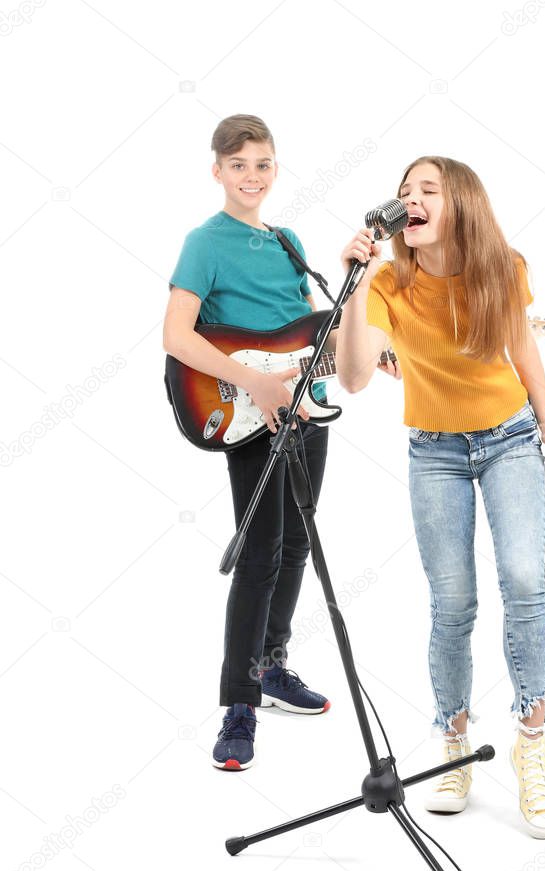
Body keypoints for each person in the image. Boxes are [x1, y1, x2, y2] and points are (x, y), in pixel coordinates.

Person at [335, 156, 545, 838]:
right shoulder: (390, 280)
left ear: (459, 203)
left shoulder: (502, 266)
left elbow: (521, 347)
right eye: (403, 193)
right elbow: (355, 378)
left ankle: (531, 740)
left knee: (522, 579)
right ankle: (452, 741)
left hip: (509, 440)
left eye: (427, 190)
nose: (410, 200)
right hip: (435, 452)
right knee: (452, 602)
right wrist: (360, 280)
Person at [164, 115, 340, 770]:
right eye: (239, 165)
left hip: (301, 407)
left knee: (297, 541)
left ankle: (271, 668)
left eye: (263, 164)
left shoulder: (289, 241)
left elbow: (306, 334)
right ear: (217, 171)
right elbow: (178, 337)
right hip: (244, 408)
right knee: (260, 551)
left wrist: (368, 356)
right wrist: (255, 385)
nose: (252, 177)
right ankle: (237, 705)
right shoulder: (204, 242)